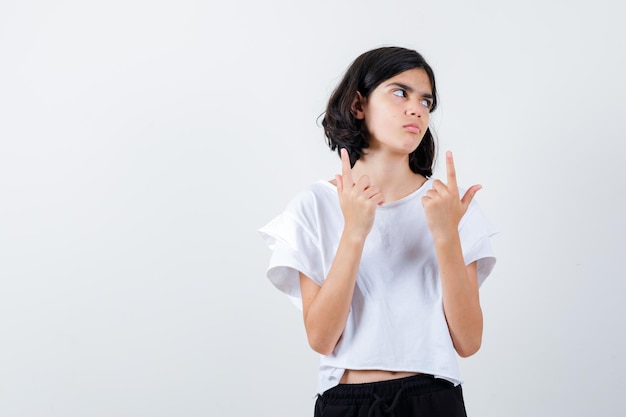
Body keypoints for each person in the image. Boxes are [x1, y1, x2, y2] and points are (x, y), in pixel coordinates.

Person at [258, 46, 497, 417]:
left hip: (433, 399)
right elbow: (321, 338)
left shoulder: (449, 206)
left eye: (426, 101)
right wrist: (354, 231)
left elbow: (468, 341)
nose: (417, 108)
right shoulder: (314, 206)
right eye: (400, 92)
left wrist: (446, 236)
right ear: (358, 105)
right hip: (347, 401)